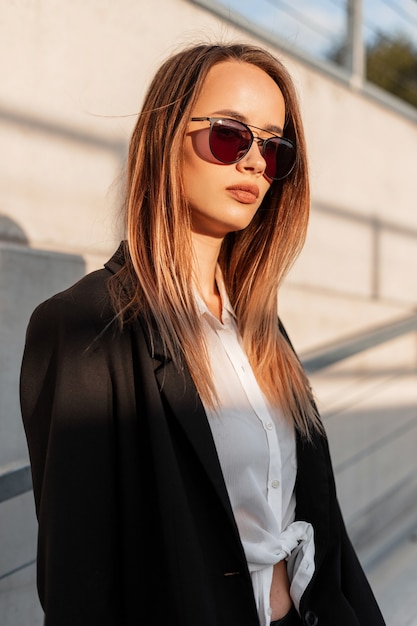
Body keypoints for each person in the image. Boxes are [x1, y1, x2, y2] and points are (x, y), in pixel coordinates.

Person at [20, 42, 386, 626]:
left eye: (275, 147)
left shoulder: (260, 325)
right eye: (228, 136)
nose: (255, 163)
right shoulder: (85, 326)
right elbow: (80, 584)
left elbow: (317, 519)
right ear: (165, 138)